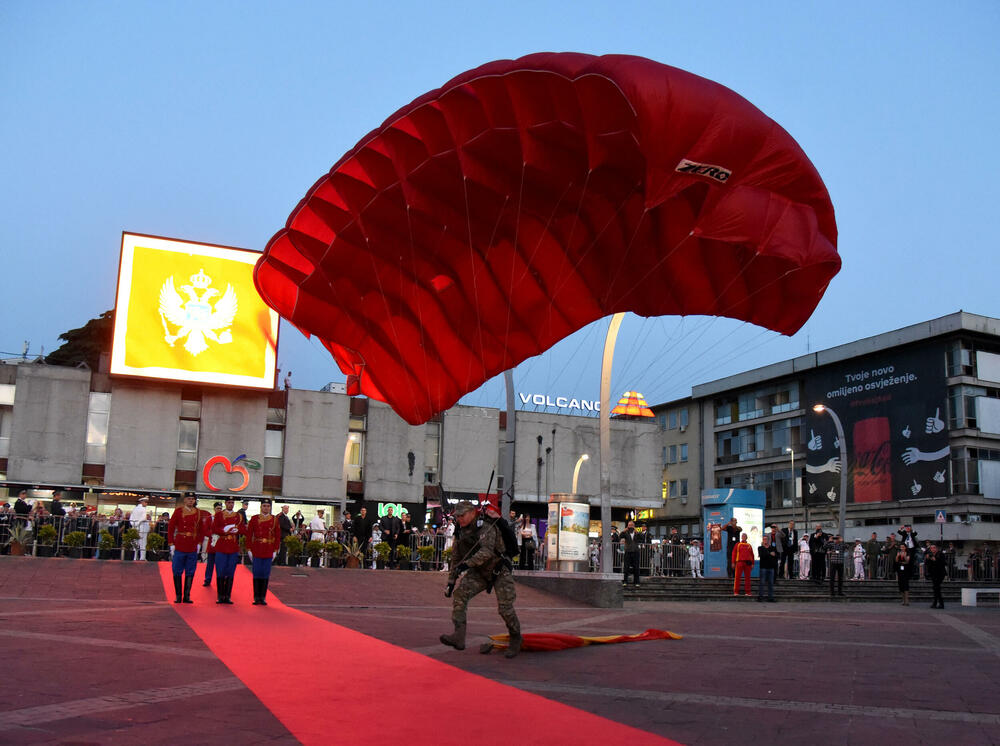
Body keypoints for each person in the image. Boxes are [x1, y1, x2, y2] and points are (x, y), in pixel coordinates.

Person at [440, 501, 522, 658]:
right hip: (479, 572)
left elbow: (487, 551)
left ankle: (516, 637)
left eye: (462, 515)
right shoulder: (461, 530)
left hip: (499, 570)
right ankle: (459, 635)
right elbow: (456, 556)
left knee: (505, 608)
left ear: (472, 513)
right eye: (457, 516)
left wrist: (467, 565)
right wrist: (451, 581)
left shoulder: (484, 526)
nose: (459, 519)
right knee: (460, 594)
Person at [167, 493, 209, 604]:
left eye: (193, 499)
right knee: (177, 570)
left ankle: (187, 595)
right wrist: (171, 543)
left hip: (192, 544)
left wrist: (199, 543)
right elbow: (171, 528)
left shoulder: (199, 513)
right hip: (180, 543)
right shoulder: (178, 511)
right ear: (184, 500)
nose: (191, 501)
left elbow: (201, 530)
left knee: (190, 571)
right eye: (189, 499)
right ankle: (178, 595)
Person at [245, 499, 282, 605]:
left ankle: (263, 597)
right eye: (264, 506)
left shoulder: (274, 520)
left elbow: (277, 536)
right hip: (257, 548)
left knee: (265, 573)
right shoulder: (254, 519)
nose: (266, 508)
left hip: (268, 549)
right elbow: (249, 535)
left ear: (270, 507)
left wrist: (275, 550)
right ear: (261, 507)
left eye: (268, 506)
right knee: (257, 573)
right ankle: (256, 597)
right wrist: (249, 549)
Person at [212, 497, 243, 604]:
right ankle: (220, 596)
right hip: (222, 544)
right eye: (229, 502)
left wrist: (238, 530)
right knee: (220, 571)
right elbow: (214, 528)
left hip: (233, 545)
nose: (231, 504)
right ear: (225, 503)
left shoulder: (238, 516)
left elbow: (243, 528)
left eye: (232, 503)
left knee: (230, 571)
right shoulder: (219, 515)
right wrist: (224, 531)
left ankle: (228, 596)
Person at [202, 502, 223, 586]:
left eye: (220, 508)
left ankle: (220, 580)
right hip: (212, 545)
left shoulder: (224, 518)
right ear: (214, 509)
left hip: (221, 545)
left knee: (220, 565)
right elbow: (205, 530)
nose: (219, 510)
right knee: (210, 563)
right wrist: (212, 534)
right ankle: (207, 579)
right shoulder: (210, 518)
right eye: (218, 508)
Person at [924, 543, 947, 609]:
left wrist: (936, 560)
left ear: (936, 548)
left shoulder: (940, 554)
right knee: (936, 588)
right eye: (931, 548)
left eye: (934, 548)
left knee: (936, 587)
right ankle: (937, 603)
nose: (932, 549)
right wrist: (928, 559)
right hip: (933, 574)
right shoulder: (930, 555)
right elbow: (927, 564)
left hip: (940, 573)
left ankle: (939, 603)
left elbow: (944, 563)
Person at [128, 496, 151, 561]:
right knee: (143, 543)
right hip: (142, 527)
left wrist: (134, 524)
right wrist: (138, 523)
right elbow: (144, 518)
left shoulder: (135, 509)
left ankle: (135, 557)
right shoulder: (143, 509)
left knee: (135, 543)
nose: (146, 503)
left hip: (135, 528)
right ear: (142, 502)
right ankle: (142, 557)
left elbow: (131, 519)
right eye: (146, 502)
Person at [757, 535, 778, 602]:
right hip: (763, 568)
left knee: (771, 583)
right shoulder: (760, 548)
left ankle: (770, 597)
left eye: (766, 539)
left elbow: (775, 556)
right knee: (762, 583)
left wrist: (768, 554)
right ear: (762, 540)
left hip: (771, 568)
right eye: (764, 539)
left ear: (769, 540)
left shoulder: (772, 548)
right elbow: (762, 555)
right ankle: (760, 597)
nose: (765, 540)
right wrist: (769, 553)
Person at [620, 520, 641, 587]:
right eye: (629, 525)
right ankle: (625, 581)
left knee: (636, 567)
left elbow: (642, 538)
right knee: (626, 567)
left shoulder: (637, 533)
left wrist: (637, 531)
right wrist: (624, 530)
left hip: (635, 552)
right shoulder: (626, 533)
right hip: (628, 552)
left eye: (632, 525)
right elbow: (620, 536)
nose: (630, 527)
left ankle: (636, 582)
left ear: (634, 526)